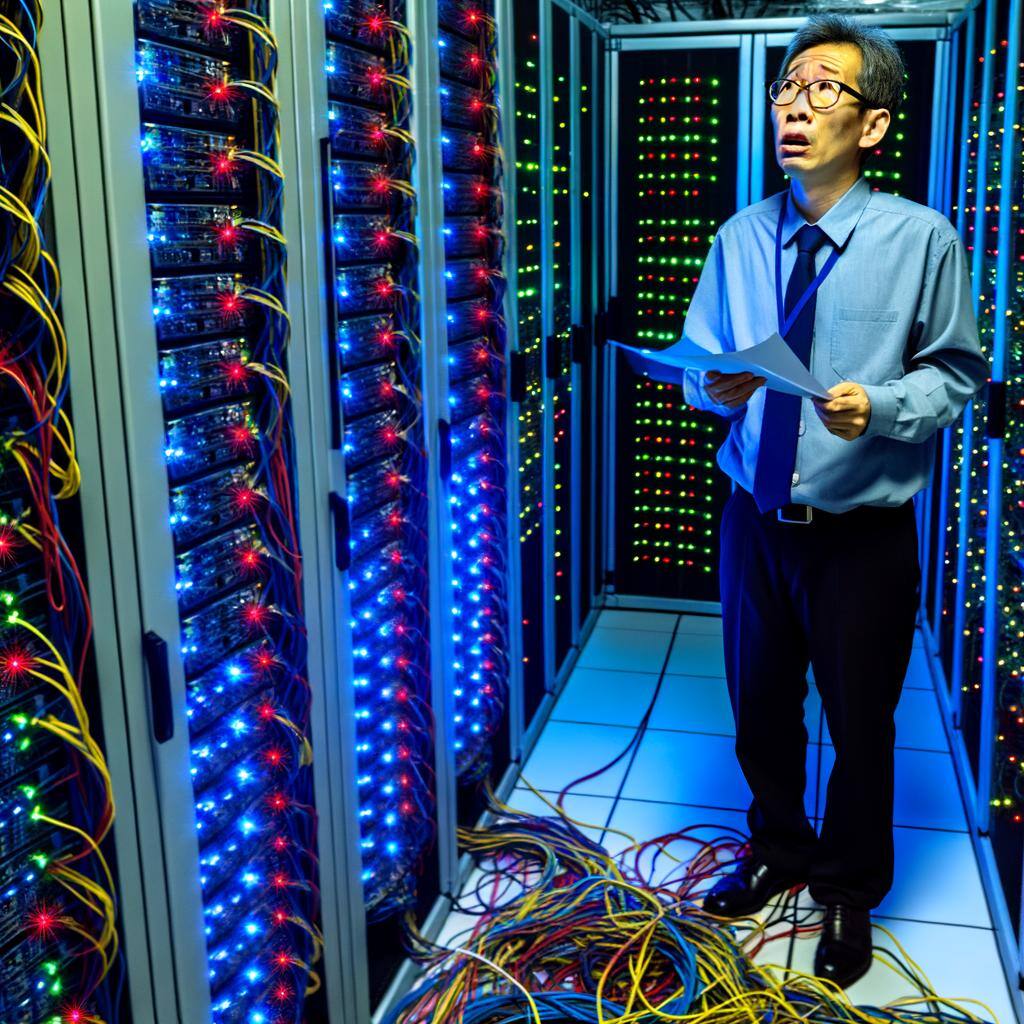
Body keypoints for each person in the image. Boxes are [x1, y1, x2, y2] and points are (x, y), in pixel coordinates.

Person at [679, 13, 989, 988]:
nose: (795, 106)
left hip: (860, 532)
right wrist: (709, 385)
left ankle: (848, 884)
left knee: (860, 722)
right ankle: (778, 846)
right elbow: (700, 362)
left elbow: (959, 375)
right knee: (757, 706)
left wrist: (882, 404)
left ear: (874, 126)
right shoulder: (737, 237)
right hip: (753, 516)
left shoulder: (919, 239)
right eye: (787, 87)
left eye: (824, 90)